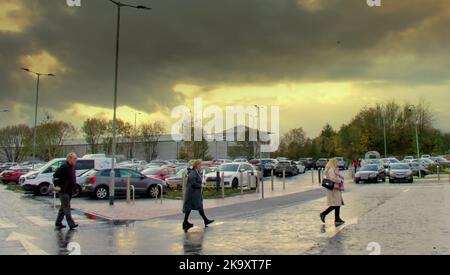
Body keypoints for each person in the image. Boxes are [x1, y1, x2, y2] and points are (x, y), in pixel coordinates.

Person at [182, 160, 214, 232]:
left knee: (193, 207)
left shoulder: (196, 172)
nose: (201, 166)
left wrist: (203, 182)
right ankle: (204, 220)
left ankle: (185, 222)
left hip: (195, 194)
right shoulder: (192, 173)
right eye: (200, 165)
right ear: (196, 165)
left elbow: (198, 180)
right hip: (192, 194)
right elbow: (193, 183)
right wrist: (200, 185)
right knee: (195, 207)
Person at [54, 152, 79, 230]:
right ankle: (71, 224)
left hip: (69, 191)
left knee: (63, 208)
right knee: (66, 208)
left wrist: (75, 188)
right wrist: (57, 186)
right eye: (74, 159)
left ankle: (58, 222)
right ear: (69, 159)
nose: (76, 160)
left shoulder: (72, 167)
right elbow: (55, 176)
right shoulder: (64, 167)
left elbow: (72, 179)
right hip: (63, 191)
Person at [320, 158, 345, 226]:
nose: (337, 163)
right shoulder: (331, 169)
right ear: (333, 162)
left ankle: (337, 219)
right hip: (333, 189)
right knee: (335, 204)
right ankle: (323, 214)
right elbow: (332, 178)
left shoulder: (333, 169)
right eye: (336, 162)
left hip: (335, 188)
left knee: (338, 203)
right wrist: (340, 181)